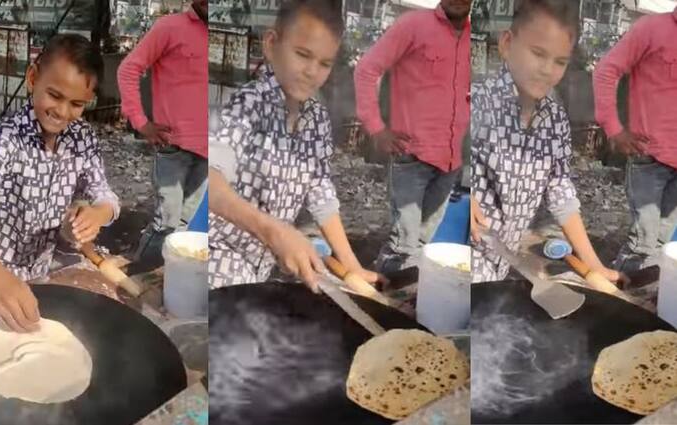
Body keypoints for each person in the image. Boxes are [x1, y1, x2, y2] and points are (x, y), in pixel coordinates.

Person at [0, 34, 119, 332]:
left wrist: (97, 214)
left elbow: (104, 194)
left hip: (40, 274)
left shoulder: (83, 138)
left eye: (77, 103)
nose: (63, 112)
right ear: (32, 78)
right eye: (54, 95)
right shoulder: (6, 138)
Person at [208, 0, 383, 290]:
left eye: (325, 63)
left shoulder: (316, 118)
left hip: (263, 265)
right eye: (303, 55)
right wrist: (274, 231)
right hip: (220, 257)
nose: (312, 71)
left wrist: (351, 265)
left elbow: (320, 193)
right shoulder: (246, 105)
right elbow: (212, 181)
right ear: (272, 44)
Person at [470, 0, 620, 283]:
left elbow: (560, 190)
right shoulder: (476, 103)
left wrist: (594, 265)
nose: (547, 69)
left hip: (501, 265)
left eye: (560, 61)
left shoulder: (554, 119)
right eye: (538, 53)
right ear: (506, 43)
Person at [354, 0, 472, 274]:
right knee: (403, 245)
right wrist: (376, 127)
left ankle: (409, 297)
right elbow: (366, 69)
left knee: (422, 241)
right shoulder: (413, 25)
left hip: (452, 160)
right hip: (412, 155)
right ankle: (383, 302)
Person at [117, 0, 208, 266]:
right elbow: (128, 70)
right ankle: (138, 278)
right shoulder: (169, 27)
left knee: (184, 222)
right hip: (174, 146)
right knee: (166, 221)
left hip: (209, 149)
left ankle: (166, 279)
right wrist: (140, 121)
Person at [593, 6, 677, 272]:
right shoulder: (651, 28)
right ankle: (619, 303)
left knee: (663, 244)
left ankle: (647, 303)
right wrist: (614, 128)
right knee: (642, 243)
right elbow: (605, 71)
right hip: (649, 158)